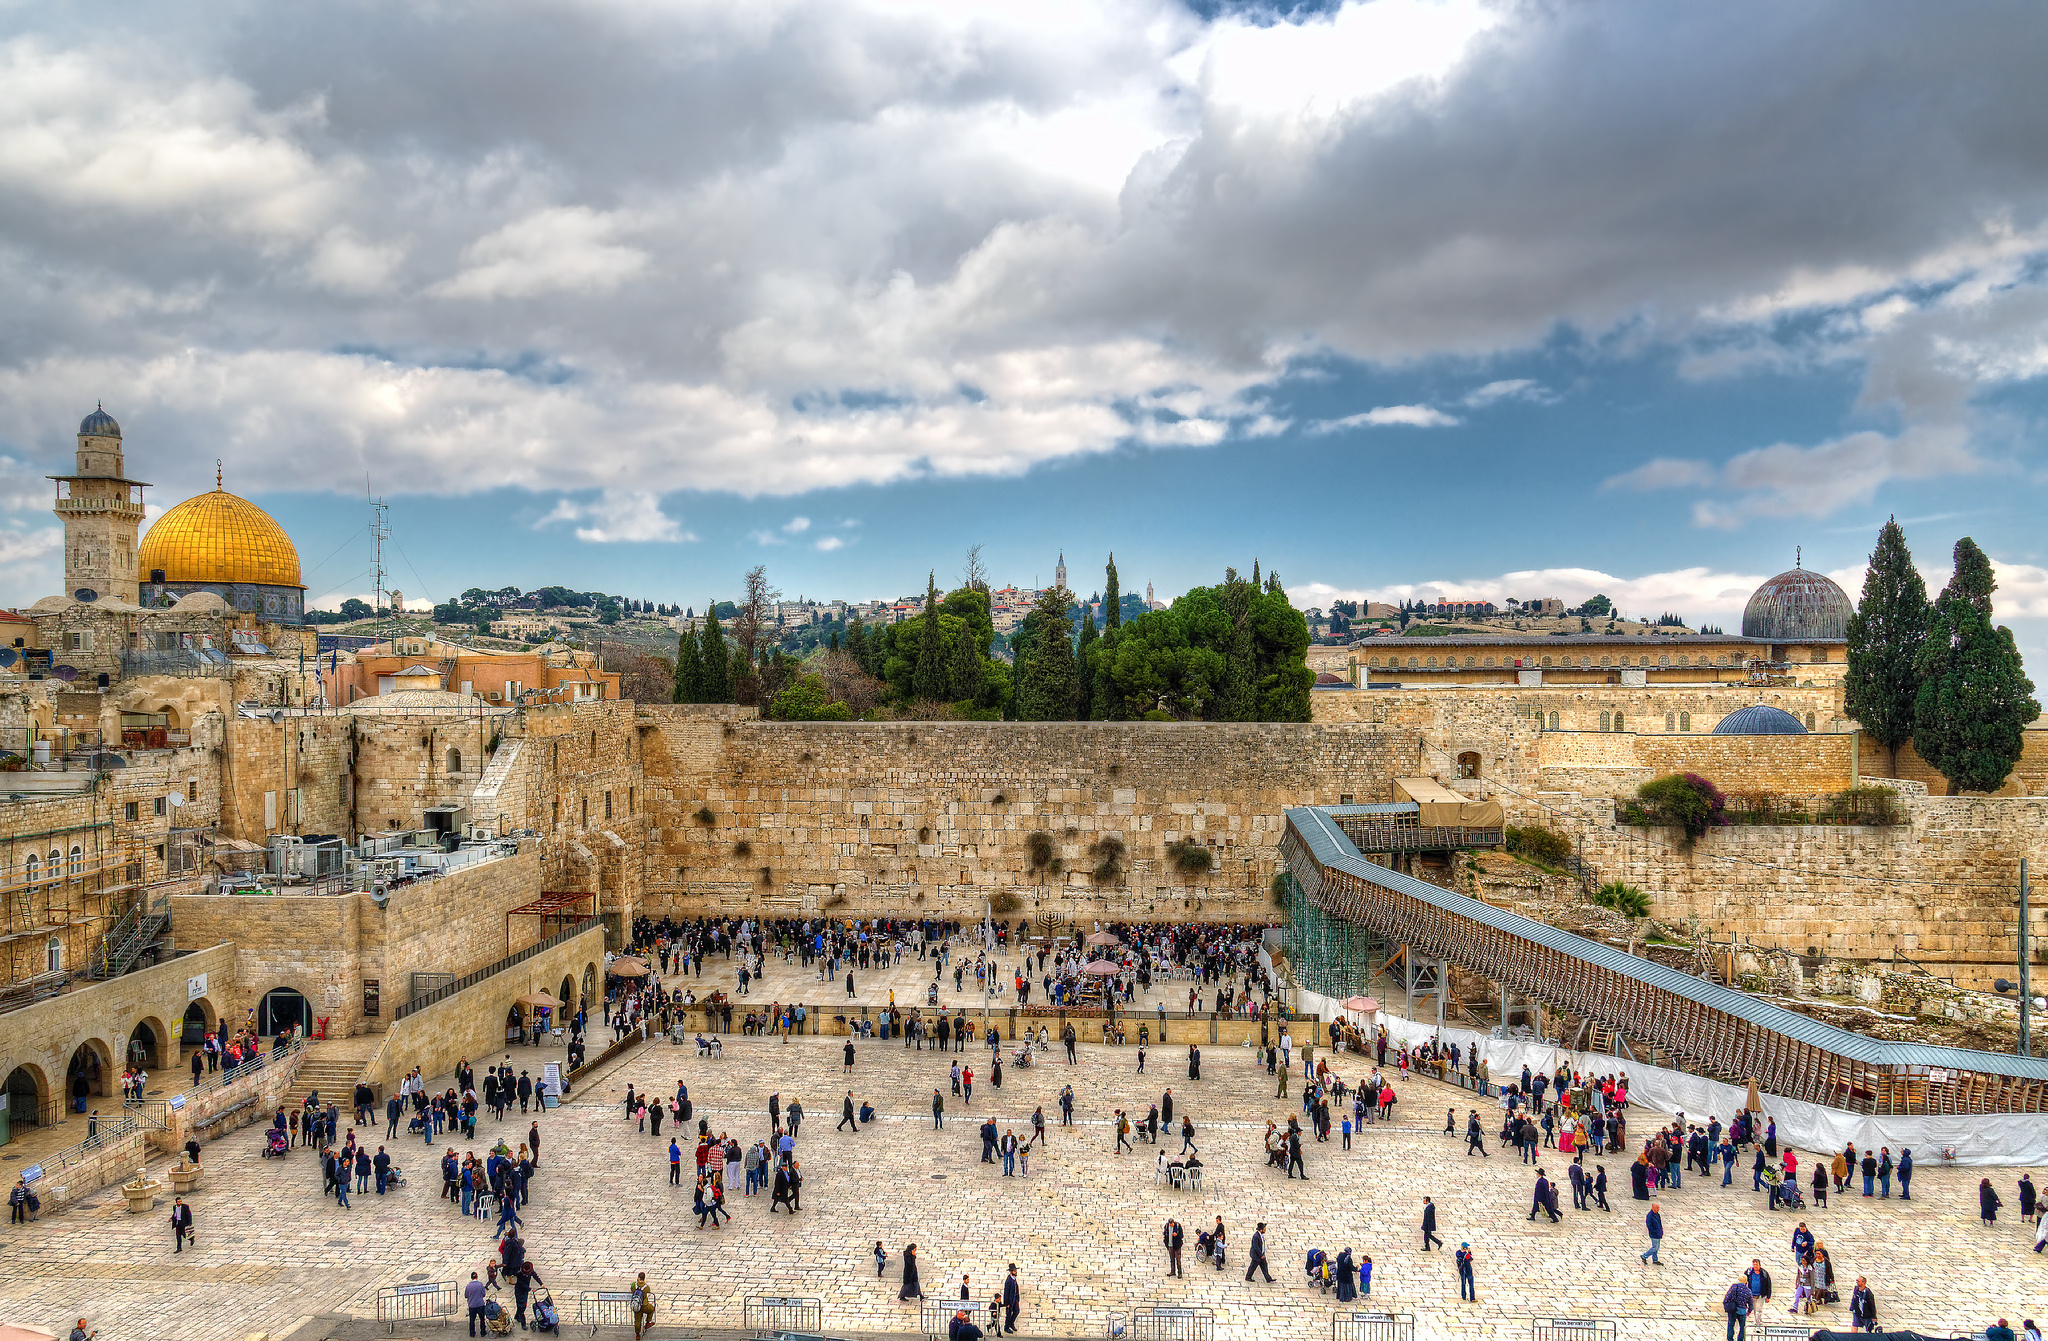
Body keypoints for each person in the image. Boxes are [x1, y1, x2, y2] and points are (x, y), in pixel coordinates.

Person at [465, 1273, 489, 1337]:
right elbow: (484, 1294)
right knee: (482, 1319)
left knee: (472, 1320)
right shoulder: (480, 1284)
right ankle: (483, 1332)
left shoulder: (468, 1286)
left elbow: (466, 1295)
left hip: (472, 1306)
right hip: (480, 1305)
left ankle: (472, 1333)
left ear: (471, 1278)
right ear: (477, 1277)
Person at [1001, 1264, 1021, 1336]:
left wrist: (1017, 1298)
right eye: (1014, 1271)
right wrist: (1006, 1303)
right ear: (1011, 1271)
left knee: (1016, 1311)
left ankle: (1011, 1323)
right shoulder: (1008, 1281)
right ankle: (1006, 1327)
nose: (1016, 1272)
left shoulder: (1014, 1279)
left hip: (1015, 1299)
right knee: (1008, 1314)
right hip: (1010, 1301)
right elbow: (1006, 1293)